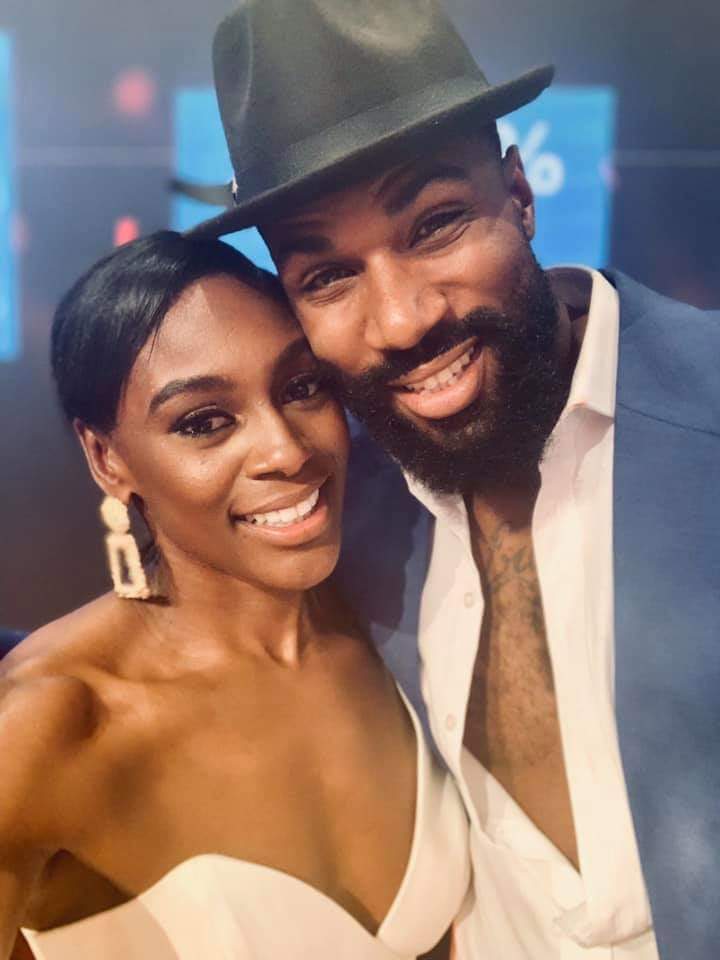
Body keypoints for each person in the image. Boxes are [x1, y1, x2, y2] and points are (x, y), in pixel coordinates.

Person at [185, 1, 720, 957]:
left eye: (435, 225)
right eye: (328, 277)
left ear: (519, 194)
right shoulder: (347, 508)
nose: (401, 320)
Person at [0, 231, 471, 960]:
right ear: (108, 458)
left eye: (301, 388)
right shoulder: (50, 723)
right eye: (205, 422)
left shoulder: (392, 621)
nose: (287, 450)